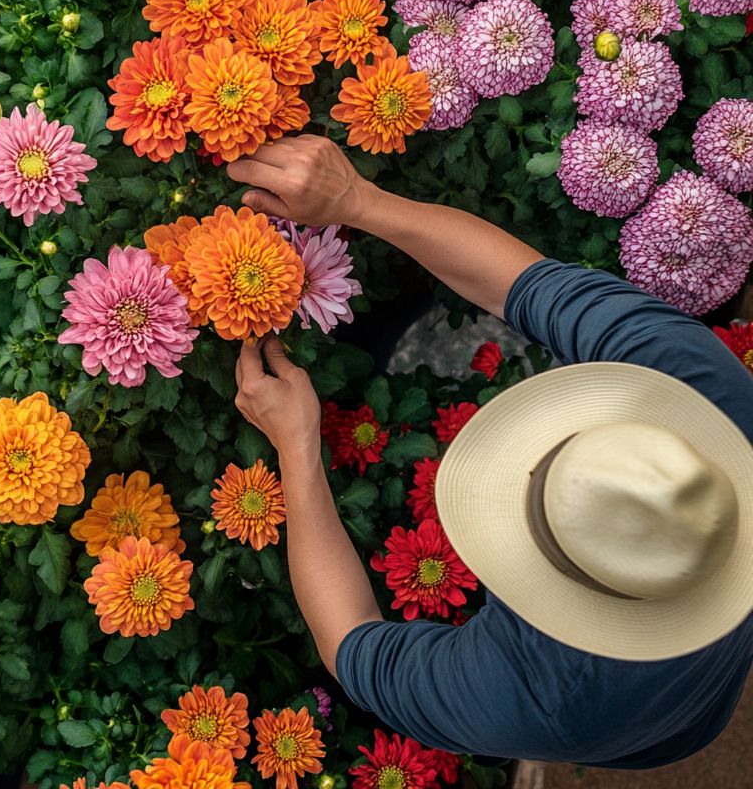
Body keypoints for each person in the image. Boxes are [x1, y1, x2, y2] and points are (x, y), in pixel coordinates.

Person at [227, 134, 753, 768]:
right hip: (695, 665)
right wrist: (353, 200)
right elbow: (523, 286)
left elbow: (351, 646)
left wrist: (297, 447)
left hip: (625, 722)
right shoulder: (704, 391)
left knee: (666, 724)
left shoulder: (540, 703)